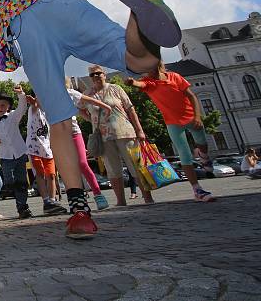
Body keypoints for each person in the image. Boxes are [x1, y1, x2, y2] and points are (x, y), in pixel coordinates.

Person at [0, 0, 181, 238]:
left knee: (58, 119)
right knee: (142, 61)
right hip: (62, 1)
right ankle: (138, 13)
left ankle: (79, 210)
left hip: (26, 25)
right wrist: (82, 10)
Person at [125, 62, 216, 202]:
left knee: (202, 144)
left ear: (158, 66)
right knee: (184, 154)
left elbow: (192, 96)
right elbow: (140, 84)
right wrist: (132, 82)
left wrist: (197, 117)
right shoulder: (149, 83)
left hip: (191, 117)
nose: (147, 72)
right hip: (173, 123)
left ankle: (203, 155)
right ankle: (197, 189)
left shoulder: (174, 77)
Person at [81, 65, 154, 206]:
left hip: (124, 132)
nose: (95, 76)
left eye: (98, 73)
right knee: (112, 170)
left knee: (136, 167)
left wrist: (139, 130)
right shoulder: (88, 93)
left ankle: (148, 198)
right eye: (92, 75)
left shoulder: (115, 88)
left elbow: (130, 109)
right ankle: (121, 201)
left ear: (104, 74)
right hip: (103, 137)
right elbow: (80, 109)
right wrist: (92, 120)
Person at [65, 79, 112, 211]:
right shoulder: (48, 95)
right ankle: (77, 198)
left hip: (74, 133)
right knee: (68, 168)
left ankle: (98, 194)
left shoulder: (70, 93)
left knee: (82, 163)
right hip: (59, 136)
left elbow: (89, 99)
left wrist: (105, 106)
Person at [0, 89, 33, 219]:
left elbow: (22, 107)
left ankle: (22, 207)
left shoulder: (13, 116)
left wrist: (21, 94)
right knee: (9, 180)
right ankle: (11, 192)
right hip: (5, 156)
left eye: (3, 105)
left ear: (8, 106)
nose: (0, 108)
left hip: (19, 153)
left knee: (22, 182)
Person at [25, 98, 66, 215]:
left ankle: (52, 200)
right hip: (34, 148)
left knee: (52, 175)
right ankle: (46, 201)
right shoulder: (33, 110)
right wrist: (33, 101)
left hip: (47, 148)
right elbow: (34, 105)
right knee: (40, 174)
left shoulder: (48, 112)